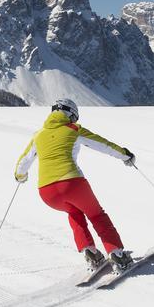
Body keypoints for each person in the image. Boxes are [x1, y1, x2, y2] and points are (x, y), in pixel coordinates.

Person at [15, 98, 136, 271]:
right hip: (72, 184)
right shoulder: (73, 129)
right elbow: (103, 144)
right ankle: (117, 254)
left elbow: (23, 162)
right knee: (96, 215)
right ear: (71, 114)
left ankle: (91, 252)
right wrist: (126, 155)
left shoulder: (38, 135)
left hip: (47, 192)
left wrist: (20, 176)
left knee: (75, 213)